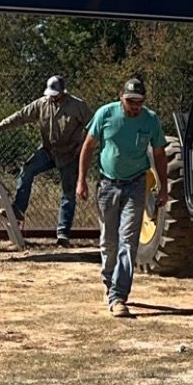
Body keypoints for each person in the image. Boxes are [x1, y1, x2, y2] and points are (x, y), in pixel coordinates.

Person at [77, 76, 168, 319]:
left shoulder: (150, 120)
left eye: (139, 101)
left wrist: (164, 186)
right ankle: (109, 283)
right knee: (109, 241)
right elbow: (88, 146)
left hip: (136, 185)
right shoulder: (105, 115)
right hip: (108, 185)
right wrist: (81, 180)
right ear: (121, 98)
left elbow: (159, 154)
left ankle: (118, 295)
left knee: (128, 242)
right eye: (130, 101)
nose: (135, 106)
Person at [0, 75, 91, 243]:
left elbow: (93, 125)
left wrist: (83, 146)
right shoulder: (41, 104)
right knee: (27, 169)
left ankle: (63, 234)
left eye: (56, 94)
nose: (53, 97)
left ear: (63, 92)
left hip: (70, 155)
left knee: (68, 193)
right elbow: (20, 116)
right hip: (48, 151)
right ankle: (18, 209)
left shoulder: (77, 106)